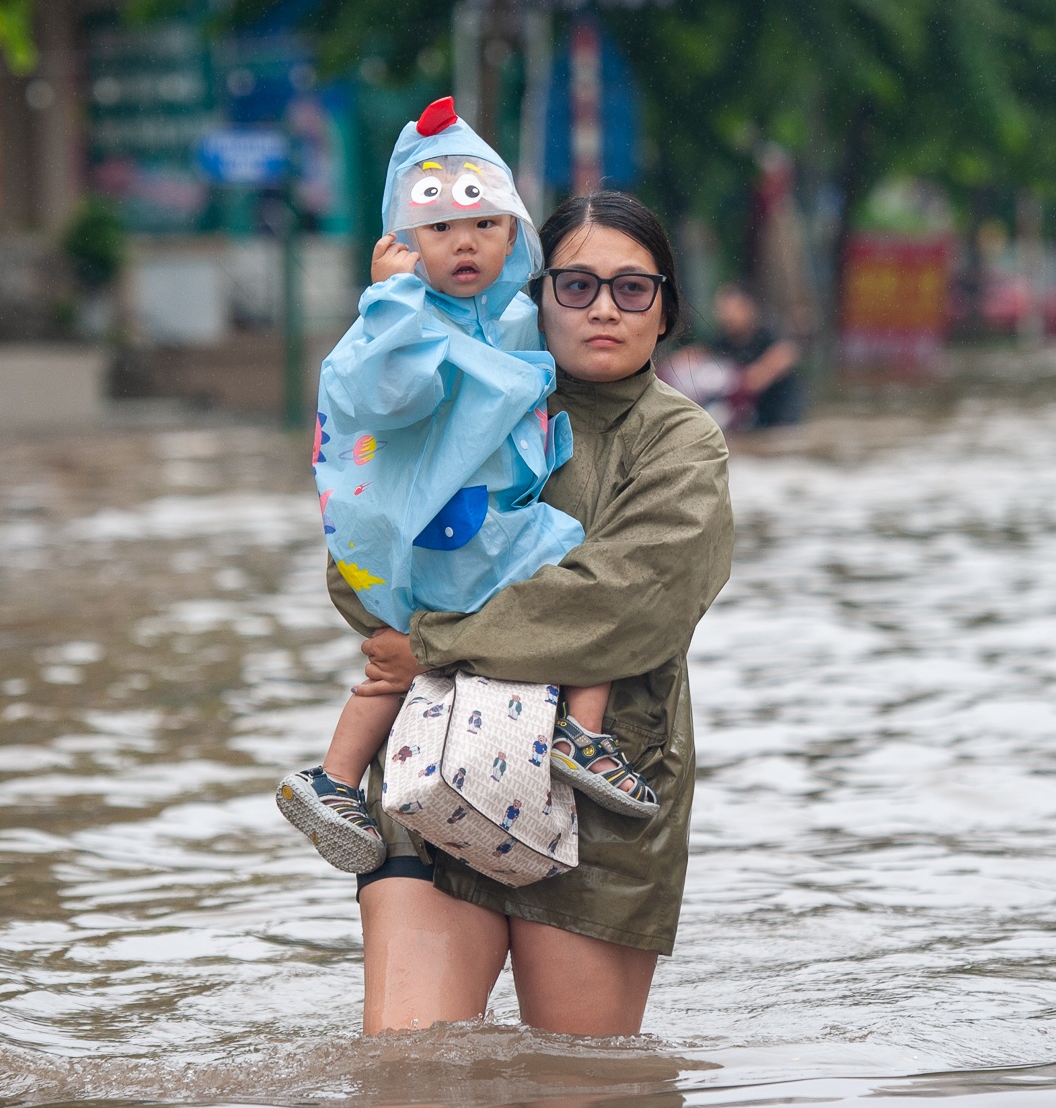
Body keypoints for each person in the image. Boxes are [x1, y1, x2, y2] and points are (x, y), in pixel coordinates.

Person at [332, 191, 733, 1036]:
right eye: (576, 284)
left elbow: (621, 605)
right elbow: (361, 551)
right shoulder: (452, 395)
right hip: (432, 768)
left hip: (601, 790)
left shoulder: (682, 443)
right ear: (535, 293)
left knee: (579, 1085)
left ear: (666, 311)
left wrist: (433, 641)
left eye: (632, 289)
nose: (602, 309)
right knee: (411, 1078)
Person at [277, 99, 657, 877]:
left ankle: (337, 776)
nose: (465, 243)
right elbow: (383, 398)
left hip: (472, 523)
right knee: (576, 582)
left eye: (485, 225)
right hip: (449, 527)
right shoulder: (398, 315)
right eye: (440, 228)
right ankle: (581, 736)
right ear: (402, 242)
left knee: (396, 661)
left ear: (514, 233)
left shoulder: (520, 318)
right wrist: (389, 302)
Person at [706, 283, 804, 428]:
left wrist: (756, 374)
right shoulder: (722, 341)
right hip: (753, 419)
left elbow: (788, 352)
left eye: (732, 309)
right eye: (722, 310)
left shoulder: (767, 332)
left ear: (748, 308)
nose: (727, 315)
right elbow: (701, 357)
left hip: (782, 414)